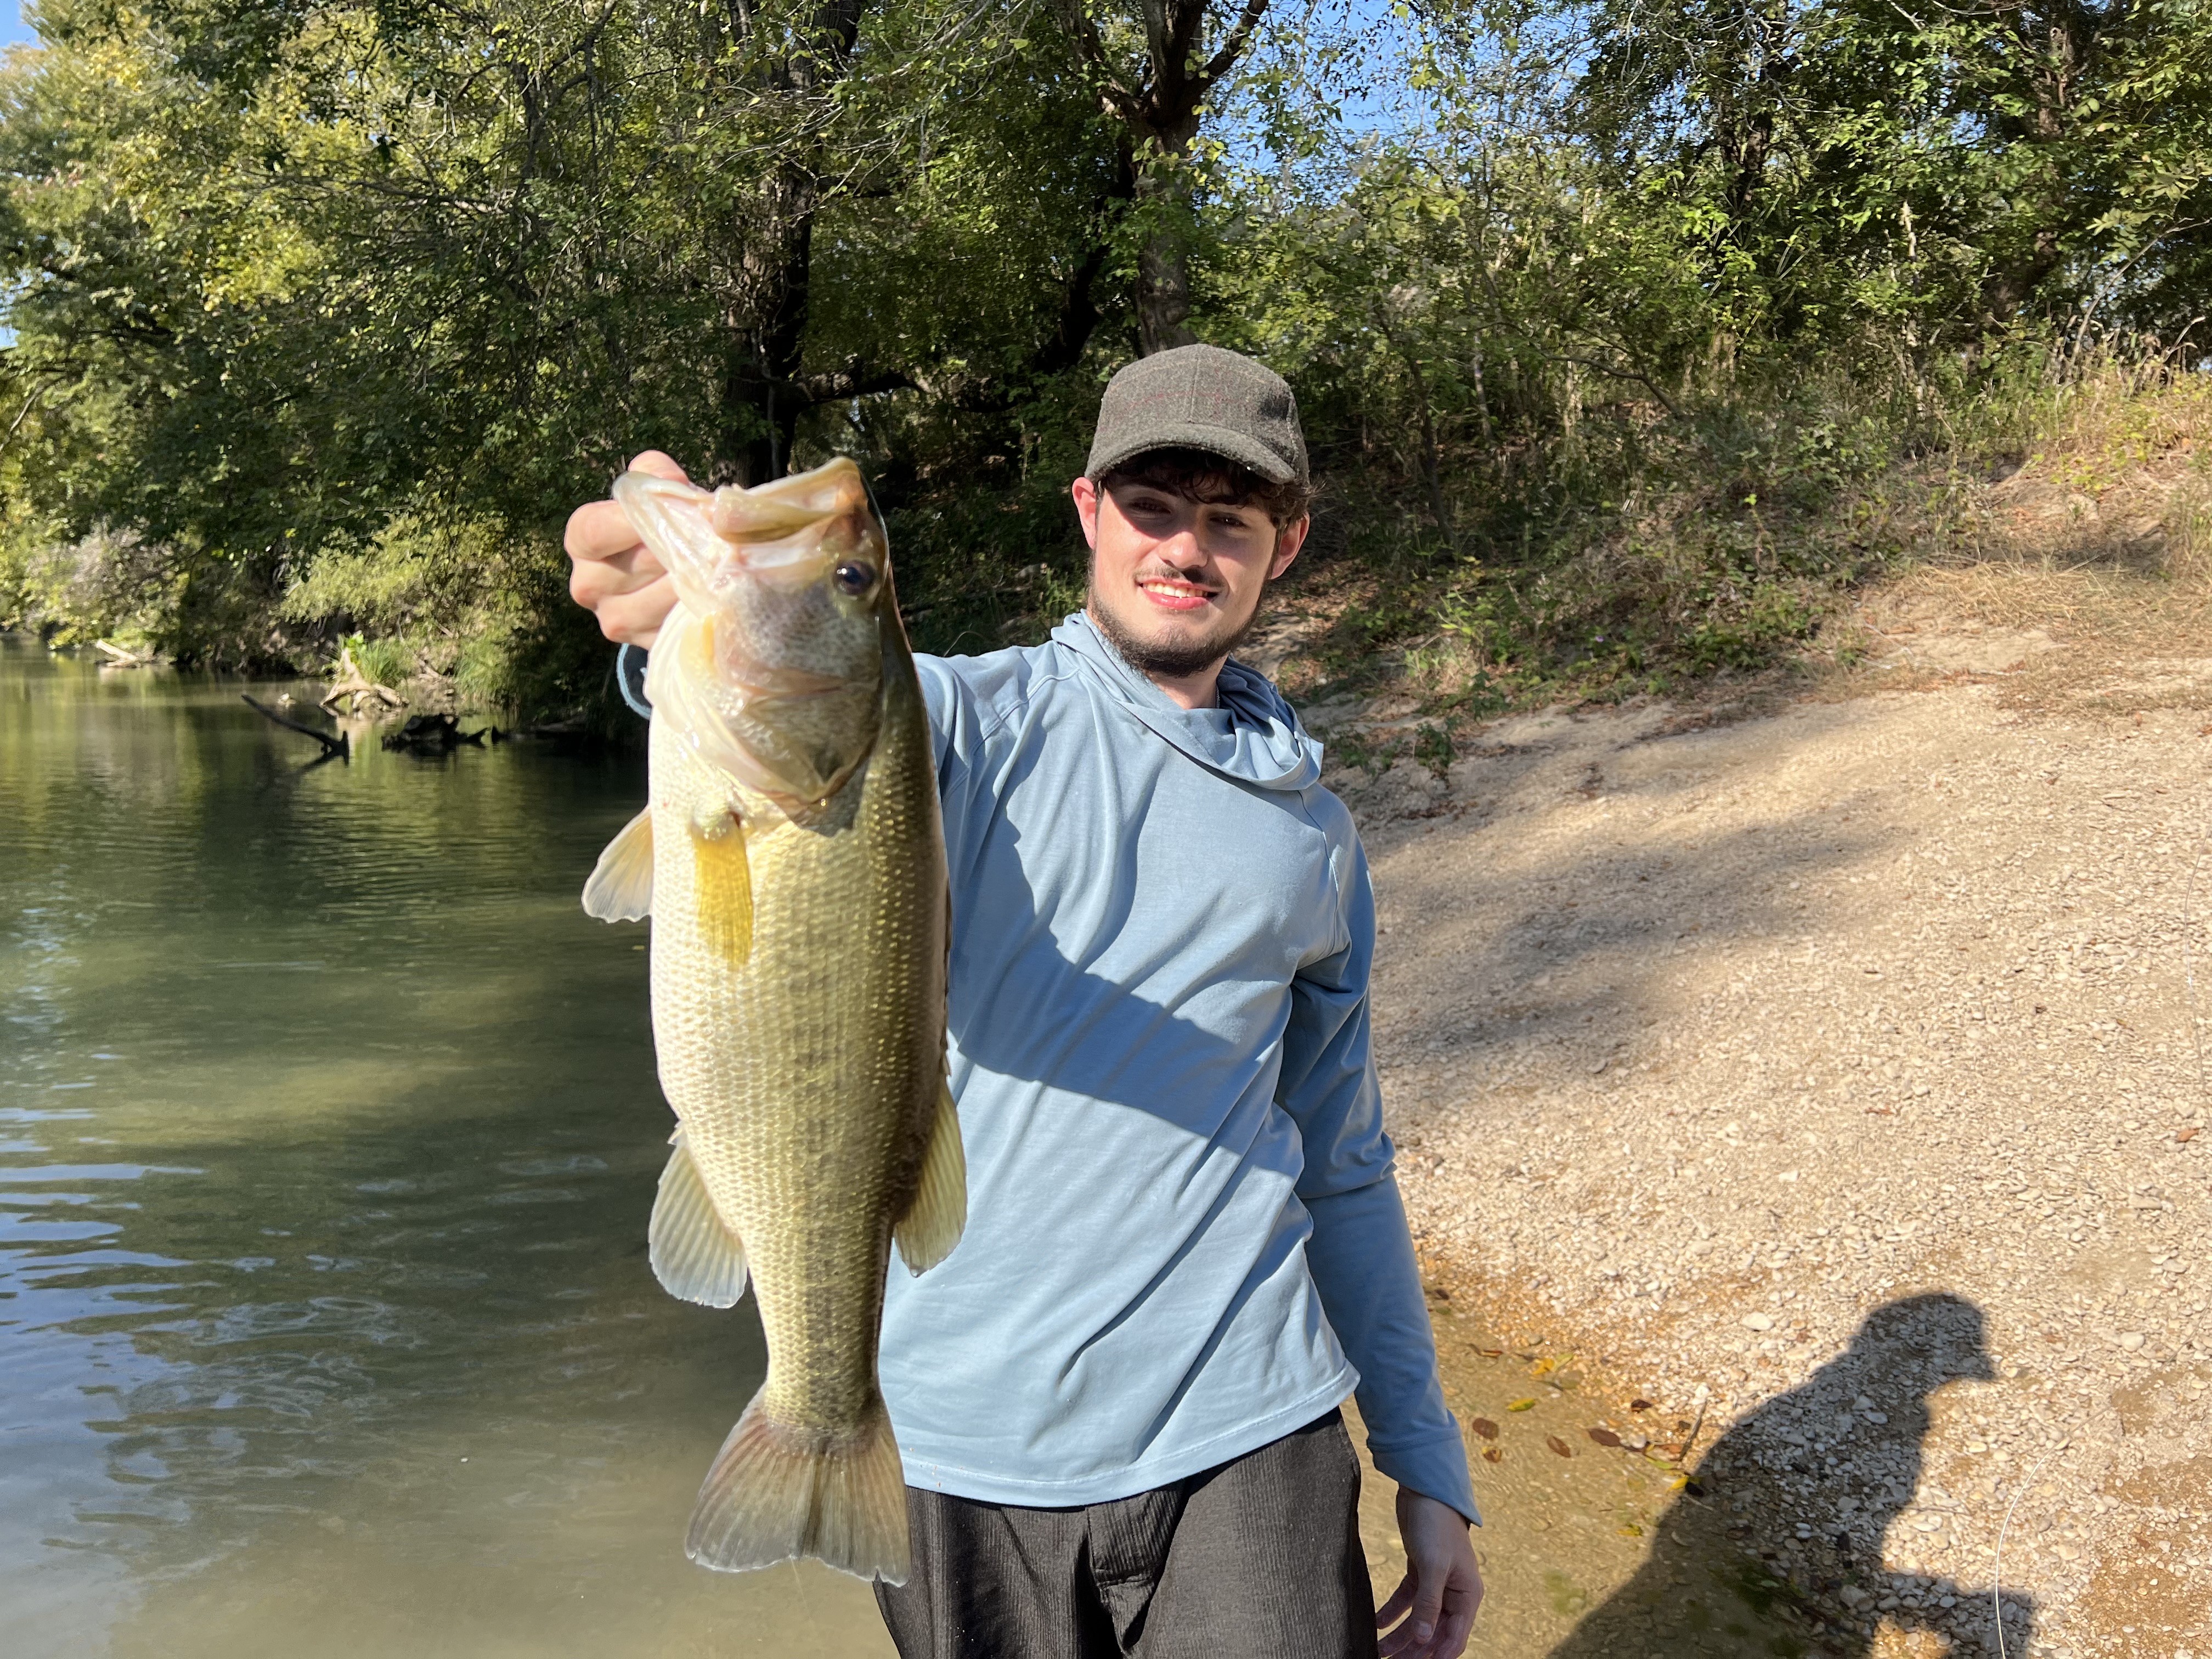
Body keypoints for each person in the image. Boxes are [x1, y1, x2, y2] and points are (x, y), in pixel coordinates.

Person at [565, 344, 1484, 1659]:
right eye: (1153, 507)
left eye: (1232, 519)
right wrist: (653, 607)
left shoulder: (1318, 840)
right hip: (954, 1440)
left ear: (1284, 548)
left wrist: (1427, 1460)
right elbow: (784, 705)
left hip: (1251, 1424)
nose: (1187, 547)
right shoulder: (954, 725)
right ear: (1089, 514)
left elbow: (1342, 1163)